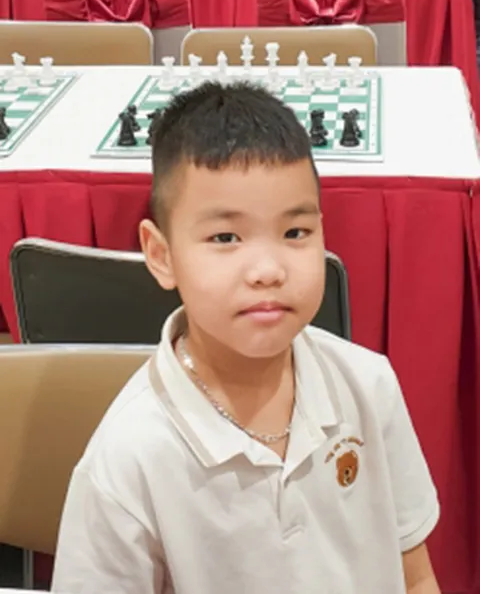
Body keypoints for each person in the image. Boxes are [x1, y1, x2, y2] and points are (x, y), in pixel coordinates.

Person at [51, 81, 440, 594]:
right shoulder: (128, 458)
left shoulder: (369, 384)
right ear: (161, 255)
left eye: (295, 233)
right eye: (225, 238)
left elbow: (416, 575)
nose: (267, 270)